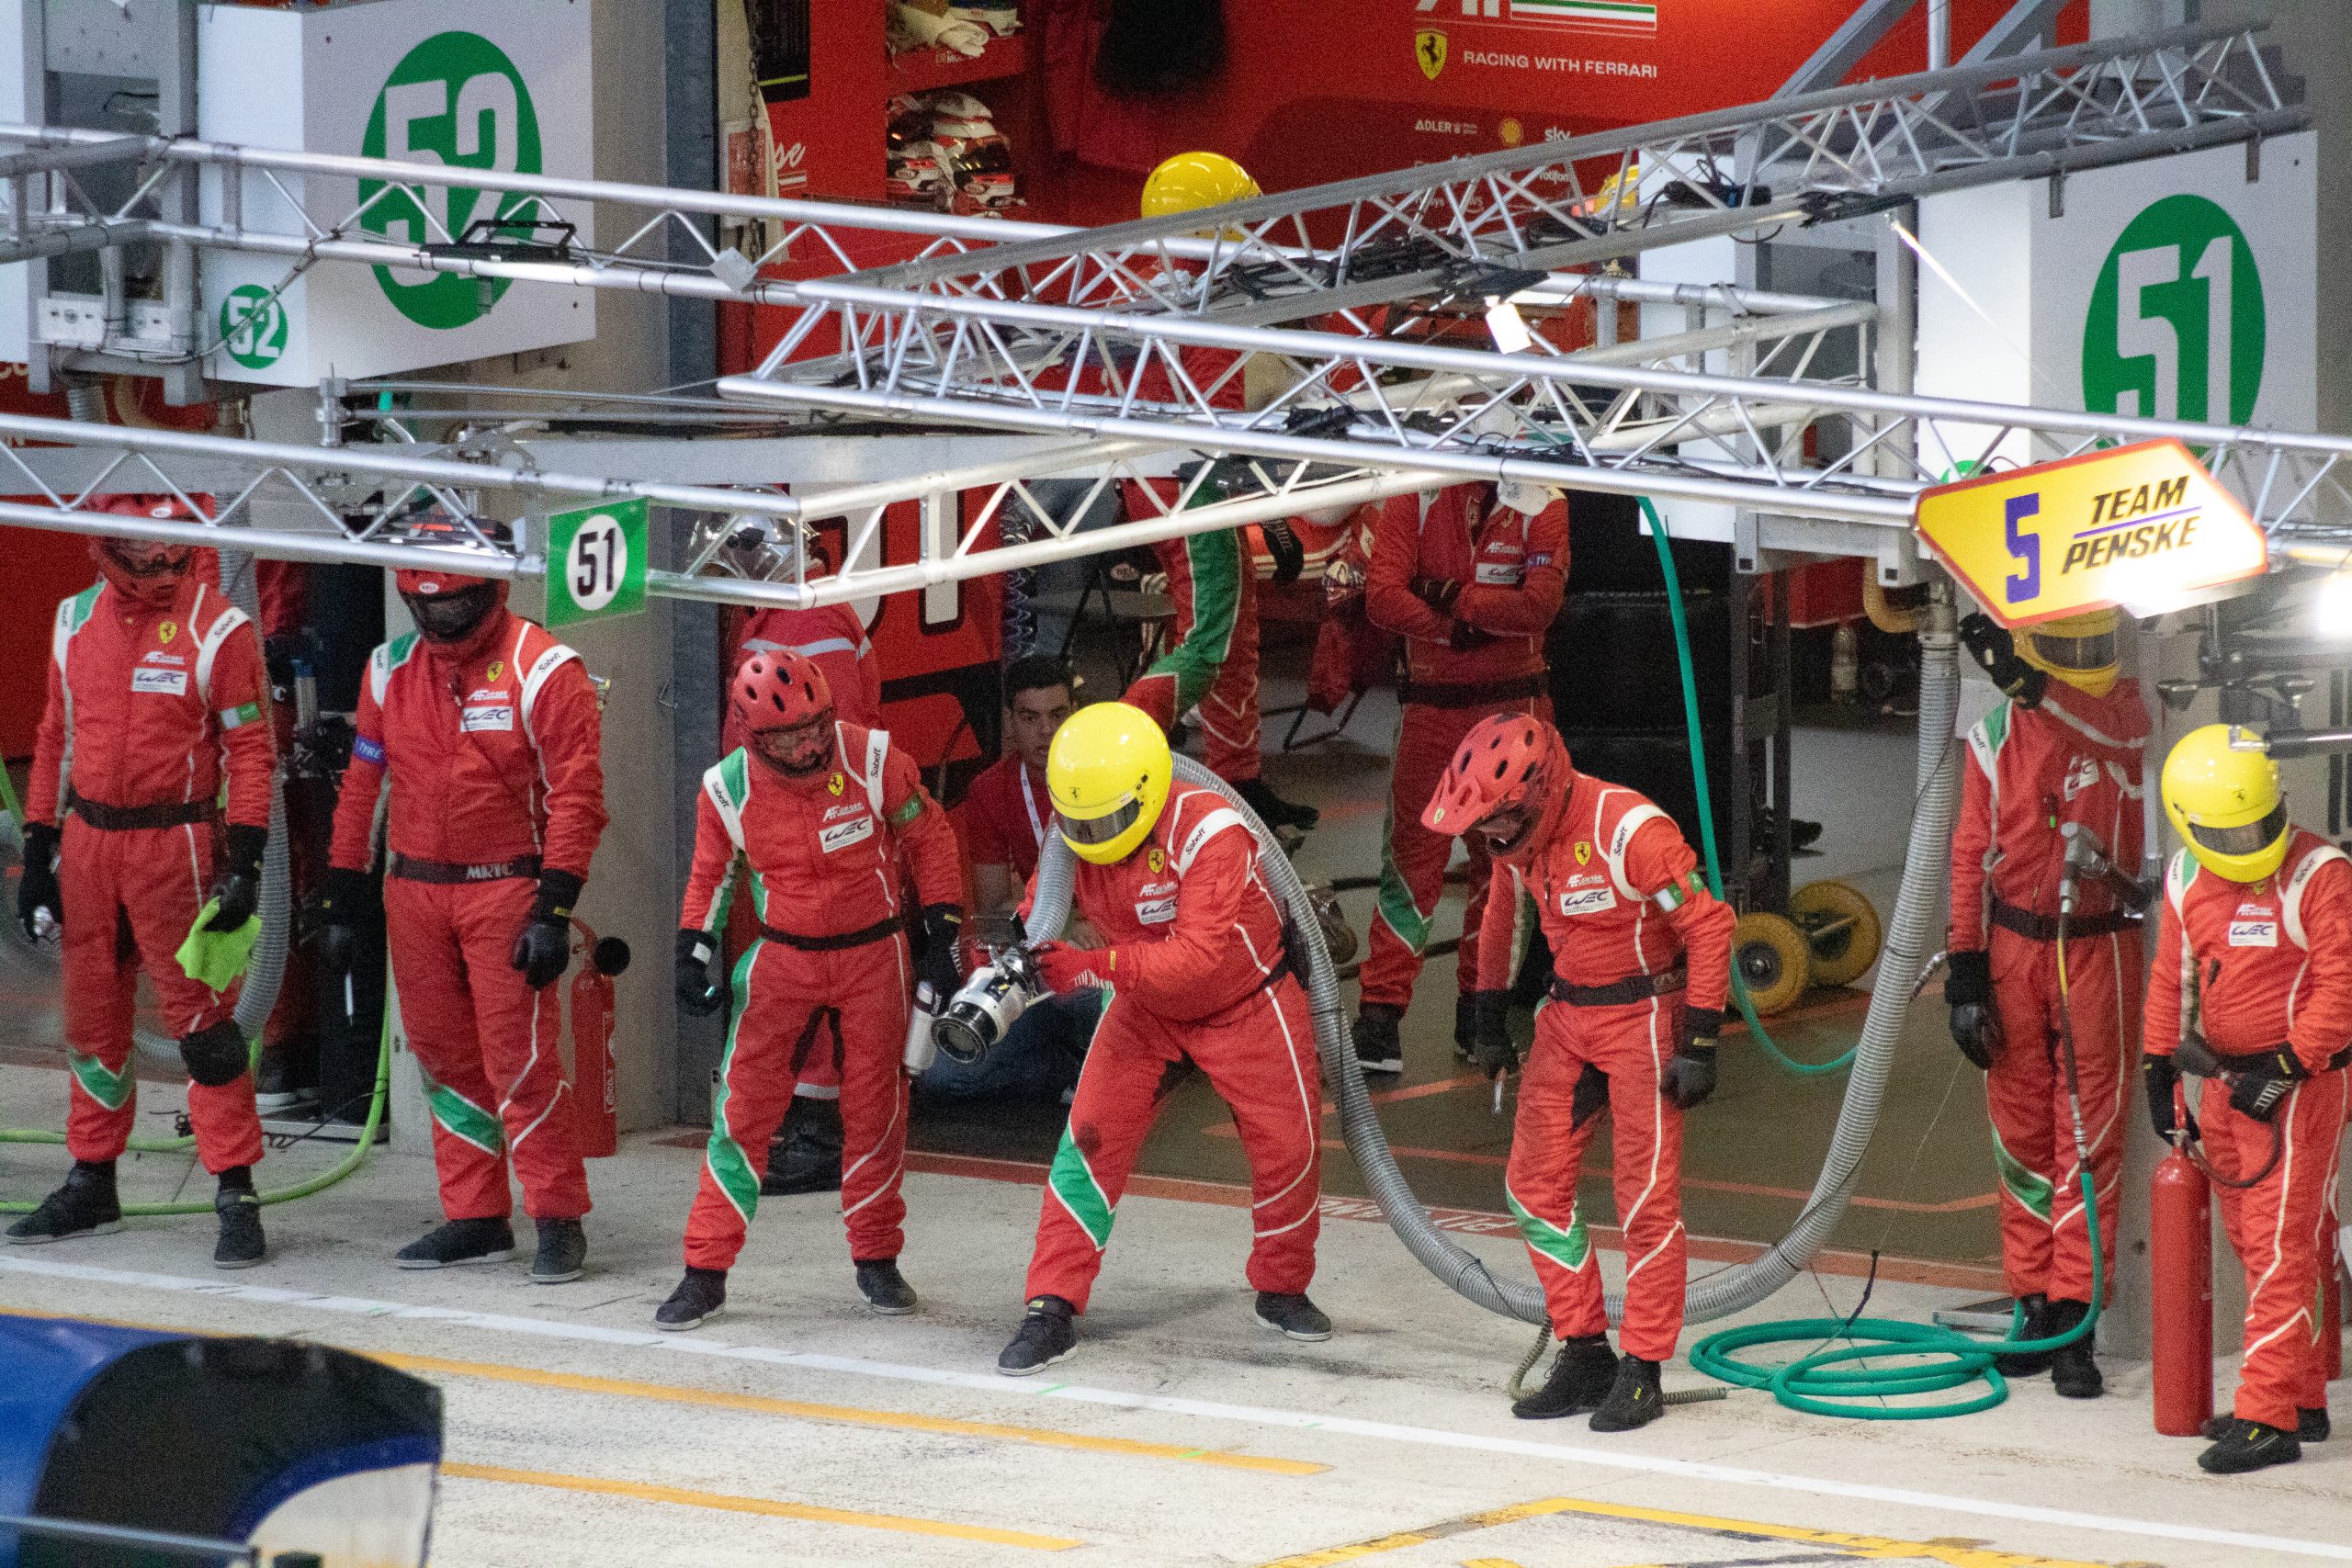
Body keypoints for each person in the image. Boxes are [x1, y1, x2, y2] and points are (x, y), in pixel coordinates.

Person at [996, 701, 1327, 1373]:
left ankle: (1282, 1285)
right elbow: (1042, 909)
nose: (1094, 834)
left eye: (1107, 821)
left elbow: (1200, 955)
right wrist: (1022, 943)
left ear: (1147, 791)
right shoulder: (1077, 828)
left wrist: (1089, 966)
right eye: (1078, 820)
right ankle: (1051, 1302)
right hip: (1145, 1002)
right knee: (1087, 1138)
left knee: (1290, 1147)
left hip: (1247, 997)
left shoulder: (1213, 831)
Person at [1438, 712, 1733, 1430]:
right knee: (1532, 1188)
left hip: (1645, 1022)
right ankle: (1583, 1346)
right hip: (1566, 1019)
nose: (1494, 840)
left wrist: (1699, 1041)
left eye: (1502, 823)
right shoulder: (1515, 844)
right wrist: (1485, 1014)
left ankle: (1644, 1366)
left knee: (1646, 1203)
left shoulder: (1629, 831)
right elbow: (1503, 917)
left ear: (1540, 793)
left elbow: (1709, 924)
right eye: (1485, 828)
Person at [319, 554, 606, 1283]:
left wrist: (554, 906)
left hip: (507, 889)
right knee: (442, 1056)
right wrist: (342, 899)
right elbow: (362, 787)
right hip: (411, 891)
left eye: (456, 606)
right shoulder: (388, 668)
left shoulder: (545, 667)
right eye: (427, 606)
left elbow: (578, 799)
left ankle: (556, 1216)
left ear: (490, 591)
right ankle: (477, 1215)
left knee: (522, 1061)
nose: (442, 620)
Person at [661, 650, 965, 1330]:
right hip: (783, 957)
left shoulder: (875, 759)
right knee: (741, 1114)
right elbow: (711, 875)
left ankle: (877, 1258)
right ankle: (704, 1271)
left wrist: (943, 933)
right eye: (788, 735)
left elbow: (930, 837)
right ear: (750, 734)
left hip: (874, 955)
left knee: (876, 1111)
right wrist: (692, 952)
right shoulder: (726, 787)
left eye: (816, 725)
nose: (807, 743)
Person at [10, 505, 276, 1268]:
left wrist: (246, 864)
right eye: (137, 539)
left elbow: (251, 752)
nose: (154, 553)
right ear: (107, 540)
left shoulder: (219, 628)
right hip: (88, 844)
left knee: (207, 1025)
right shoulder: (70, 620)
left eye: (165, 538)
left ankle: (236, 1188)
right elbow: (52, 736)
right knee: (92, 1021)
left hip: (180, 846)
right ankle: (92, 1180)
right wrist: (38, 850)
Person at [1944, 608, 2146, 1399]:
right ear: (2030, 649)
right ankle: (2031, 1302)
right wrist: (1964, 969)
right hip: (2013, 949)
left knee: (2088, 1142)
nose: (2084, 662)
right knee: (2020, 1136)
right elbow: (1968, 853)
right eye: (2064, 650)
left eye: (2091, 647)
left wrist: (2041, 684)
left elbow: (2108, 733)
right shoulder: (1996, 732)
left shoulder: (2127, 709)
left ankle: (2076, 1320)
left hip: (2100, 947)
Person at [2143, 724, 2352, 1475]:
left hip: (2298, 1092)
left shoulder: (2319, 874)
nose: (2244, 838)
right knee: (2253, 1243)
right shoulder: (2183, 880)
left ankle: (2268, 1418)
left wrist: (2292, 1063)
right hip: (2223, 1084)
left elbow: (2341, 983)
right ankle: (2297, 1393)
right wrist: (2157, 1064)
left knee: (2282, 1248)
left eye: (2256, 823)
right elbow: (2172, 977)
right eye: (2226, 829)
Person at [1352, 479, 1567, 1076]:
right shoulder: (1412, 494)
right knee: (1409, 867)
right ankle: (1380, 1020)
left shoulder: (1545, 499)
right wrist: (1457, 626)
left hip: (1515, 713)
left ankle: (1482, 1015)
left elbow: (1540, 605)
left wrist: (1451, 595)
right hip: (1432, 712)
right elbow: (1382, 598)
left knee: (1505, 873)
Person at [720, 528, 885, 1201]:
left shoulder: (810, 621)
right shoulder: (781, 610)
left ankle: (822, 1132)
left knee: (817, 974)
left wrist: (812, 836)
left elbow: (825, 742)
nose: (725, 554)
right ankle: (809, 1122)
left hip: (810, 838)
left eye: (739, 540)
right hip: (782, 830)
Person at [926, 655, 1099, 1101]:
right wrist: (1063, 926)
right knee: (944, 1076)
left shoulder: (1109, 772)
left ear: (1076, 714)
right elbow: (992, 909)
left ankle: (1106, 1060)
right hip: (1044, 960)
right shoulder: (990, 790)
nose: (1045, 731)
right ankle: (1067, 1068)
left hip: (1113, 961)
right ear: (1009, 722)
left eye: (1058, 714)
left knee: (1080, 999)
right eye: (1030, 717)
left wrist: (1087, 928)